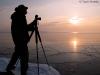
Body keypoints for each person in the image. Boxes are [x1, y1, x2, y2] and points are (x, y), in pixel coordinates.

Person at [6, 5, 34, 75]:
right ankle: (23, 72)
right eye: (25, 10)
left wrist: (32, 24)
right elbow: (24, 28)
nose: (26, 11)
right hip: (21, 40)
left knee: (17, 53)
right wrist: (33, 25)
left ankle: (9, 67)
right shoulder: (20, 17)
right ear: (22, 10)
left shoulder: (17, 16)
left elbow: (23, 27)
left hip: (18, 39)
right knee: (24, 56)